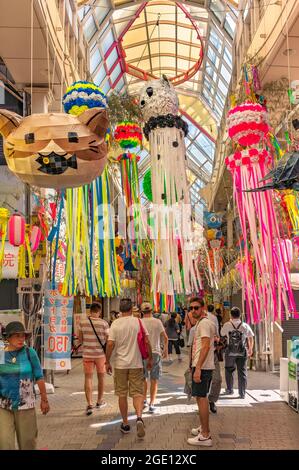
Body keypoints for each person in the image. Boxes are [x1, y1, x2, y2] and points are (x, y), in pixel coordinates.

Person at [105, 298, 153, 438]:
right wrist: (150, 358)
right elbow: (146, 341)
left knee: (122, 394)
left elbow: (110, 344)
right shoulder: (138, 322)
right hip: (136, 363)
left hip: (120, 365)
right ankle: (139, 417)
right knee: (137, 392)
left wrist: (107, 361)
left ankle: (125, 423)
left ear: (120, 309)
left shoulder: (115, 323)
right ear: (132, 309)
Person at [0, 321, 50, 450]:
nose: (21, 339)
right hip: (3, 405)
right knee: (4, 443)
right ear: (8, 337)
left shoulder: (30, 352)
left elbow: (39, 376)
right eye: (17, 335)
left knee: (28, 443)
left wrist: (44, 400)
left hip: (26, 404)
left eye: (23, 336)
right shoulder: (1, 354)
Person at [187, 298, 216, 447]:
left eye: (196, 308)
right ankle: (203, 427)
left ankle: (205, 435)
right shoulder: (205, 323)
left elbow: (205, 346)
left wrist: (197, 368)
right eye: (190, 308)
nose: (193, 311)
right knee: (200, 398)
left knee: (201, 398)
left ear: (203, 308)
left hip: (202, 367)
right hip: (204, 366)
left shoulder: (204, 324)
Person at [78, 302, 109, 415]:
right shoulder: (104, 323)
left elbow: (80, 339)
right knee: (101, 378)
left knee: (88, 378)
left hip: (87, 354)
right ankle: (99, 401)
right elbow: (107, 339)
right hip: (100, 355)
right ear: (99, 311)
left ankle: (89, 404)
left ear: (90, 311)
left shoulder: (82, 322)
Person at [221, 307, 254, 399]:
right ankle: (242, 393)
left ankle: (230, 389)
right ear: (240, 315)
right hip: (242, 351)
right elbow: (251, 337)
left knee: (229, 370)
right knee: (242, 372)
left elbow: (222, 334)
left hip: (230, 351)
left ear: (231, 315)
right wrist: (250, 349)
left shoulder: (227, 324)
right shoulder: (245, 325)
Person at [141, 302, 168, 413]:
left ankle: (144, 400)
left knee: (143, 378)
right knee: (154, 379)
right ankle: (152, 403)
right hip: (156, 352)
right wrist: (165, 349)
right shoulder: (157, 322)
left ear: (142, 312)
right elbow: (165, 337)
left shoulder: (139, 322)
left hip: (142, 353)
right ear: (152, 311)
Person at [206, 304, 222, 414]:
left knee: (217, 379)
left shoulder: (213, 320)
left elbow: (217, 335)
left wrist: (217, 341)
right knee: (204, 381)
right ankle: (202, 403)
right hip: (200, 358)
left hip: (213, 354)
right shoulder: (194, 329)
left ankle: (211, 400)